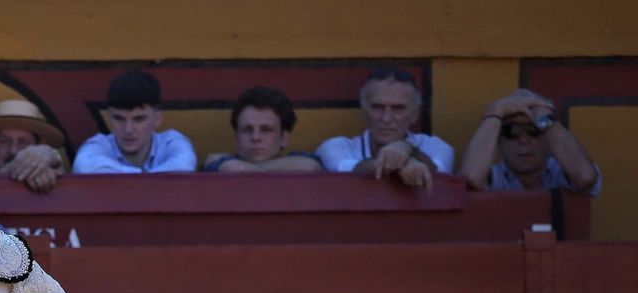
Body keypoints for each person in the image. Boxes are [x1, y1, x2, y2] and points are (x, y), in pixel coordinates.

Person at [316, 68, 454, 190]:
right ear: (364, 111)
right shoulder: (336, 147)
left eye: (398, 108)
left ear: (415, 114)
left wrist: (407, 148)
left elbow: (438, 174)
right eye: (377, 107)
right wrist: (404, 161)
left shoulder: (436, 147)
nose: (386, 118)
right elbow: (349, 170)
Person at [457, 89, 601, 195]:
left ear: (549, 139)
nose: (524, 140)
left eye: (534, 130)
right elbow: (471, 177)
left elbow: (585, 177)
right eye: (512, 131)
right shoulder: (494, 178)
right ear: (499, 141)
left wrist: (544, 115)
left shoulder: (561, 173)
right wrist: (496, 110)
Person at [73, 69, 197, 174]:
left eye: (139, 119)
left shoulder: (170, 141)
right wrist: (142, 176)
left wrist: (137, 178)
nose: (128, 129)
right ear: (109, 117)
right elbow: (83, 165)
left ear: (157, 119)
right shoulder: (99, 145)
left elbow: (185, 165)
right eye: (119, 118)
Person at [203, 87, 323, 173]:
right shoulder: (220, 161)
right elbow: (226, 167)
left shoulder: (300, 159)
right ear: (236, 138)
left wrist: (253, 169)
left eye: (266, 130)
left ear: (284, 138)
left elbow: (310, 166)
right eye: (247, 130)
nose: (255, 138)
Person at [0, 99, 67, 193]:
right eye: (4, 141)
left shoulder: (51, 171)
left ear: (38, 147)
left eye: (23, 142)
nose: (14, 150)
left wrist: (52, 156)